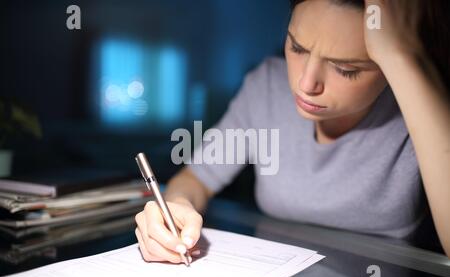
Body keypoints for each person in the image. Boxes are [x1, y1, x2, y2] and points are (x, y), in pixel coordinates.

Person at [135, 0, 450, 263]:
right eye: (297, 48)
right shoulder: (266, 87)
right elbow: (195, 180)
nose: (306, 84)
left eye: (346, 69)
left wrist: (405, 59)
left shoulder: (422, 101)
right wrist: (174, 210)